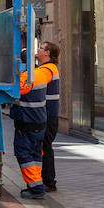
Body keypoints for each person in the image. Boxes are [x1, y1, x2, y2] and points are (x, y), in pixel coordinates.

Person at [12, 52, 57, 199]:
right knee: (37, 154)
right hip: (40, 122)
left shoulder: (26, 77)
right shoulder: (41, 75)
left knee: (24, 153)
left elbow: (17, 90)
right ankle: (38, 183)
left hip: (27, 123)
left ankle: (36, 187)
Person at [36, 40, 61, 192]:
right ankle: (48, 180)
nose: (38, 50)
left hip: (47, 115)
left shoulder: (46, 70)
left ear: (47, 53)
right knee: (46, 147)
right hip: (49, 115)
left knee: (45, 147)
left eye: (41, 48)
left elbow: (31, 84)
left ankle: (49, 182)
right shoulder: (47, 68)